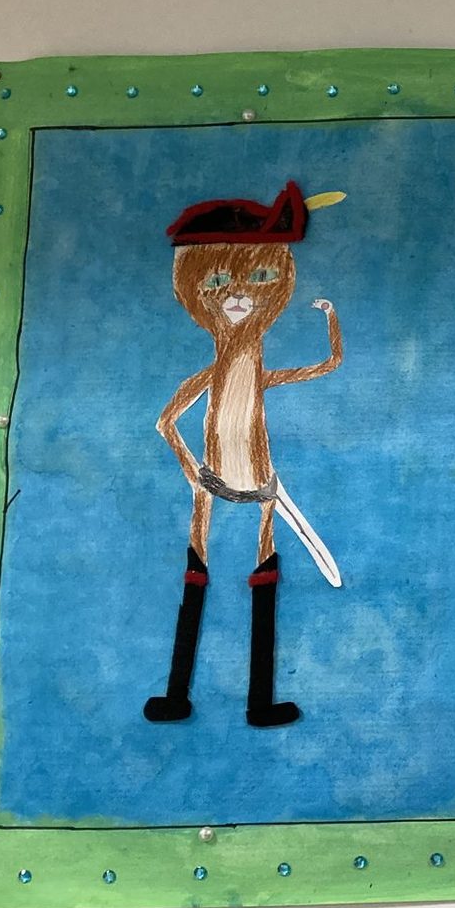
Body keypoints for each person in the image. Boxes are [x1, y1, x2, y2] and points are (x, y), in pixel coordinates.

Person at [145, 180, 345, 727]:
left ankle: (260, 701)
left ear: (276, 287)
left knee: (262, 573)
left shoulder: (257, 373)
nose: (237, 296)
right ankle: (176, 693)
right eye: (217, 282)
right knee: (198, 572)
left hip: (261, 487)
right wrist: (193, 471)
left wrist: (330, 318)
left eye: (257, 278)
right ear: (196, 292)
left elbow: (328, 364)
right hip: (212, 485)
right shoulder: (213, 373)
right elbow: (166, 421)